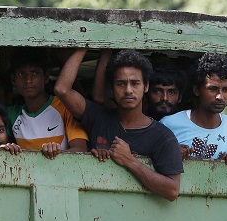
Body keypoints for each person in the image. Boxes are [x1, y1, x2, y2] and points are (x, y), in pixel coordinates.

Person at [54, 48, 183, 201]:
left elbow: (172, 190)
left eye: (135, 83)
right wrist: (85, 43)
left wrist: (130, 161)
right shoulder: (98, 117)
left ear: (146, 86)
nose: (128, 90)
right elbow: (62, 90)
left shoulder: (163, 136)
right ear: (111, 88)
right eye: (121, 84)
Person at [161, 53, 227, 166]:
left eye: (226, 89)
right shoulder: (169, 124)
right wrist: (170, 153)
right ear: (197, 90)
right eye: (213, 89)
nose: (220, 97)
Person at [8, 48, 89, 159]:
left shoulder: (65, 106)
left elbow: (81, 150)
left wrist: (56, 153)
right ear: (13, 80)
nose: (28, 80)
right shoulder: (11, 114)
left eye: (35, 73)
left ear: (46, 77)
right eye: (22, 74)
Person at [93, 50, 184, 121]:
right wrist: (107, 49)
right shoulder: (126, 114)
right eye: (157, 91)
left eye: (172, 92)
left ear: (180, 97)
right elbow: (99, 97)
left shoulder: (186, 125)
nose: (164, 98)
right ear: (146, 89)